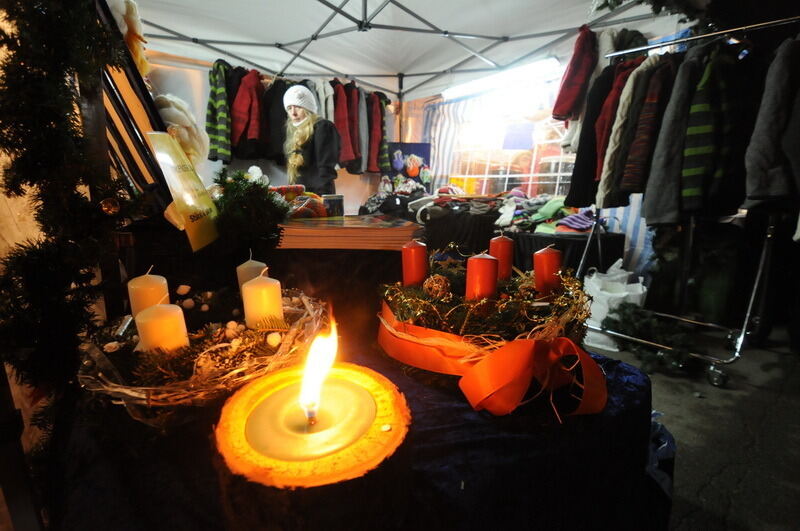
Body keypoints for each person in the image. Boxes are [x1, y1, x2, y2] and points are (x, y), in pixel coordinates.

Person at [283, 84, 341, 196]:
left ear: (308, 108)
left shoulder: (322, 127)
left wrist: (324, 201)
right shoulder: (295, 132)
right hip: (300, 195)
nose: (293, 113)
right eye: (289, 108)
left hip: (318, 196)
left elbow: (325, 170)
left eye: (298, 107)